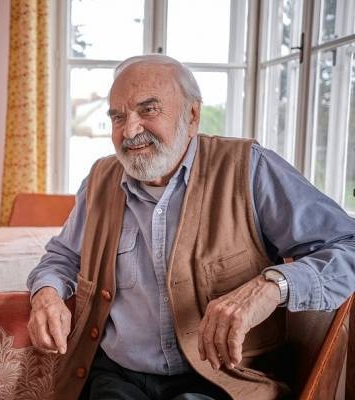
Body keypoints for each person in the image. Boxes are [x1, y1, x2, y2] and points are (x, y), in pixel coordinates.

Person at [26, 54, 355, 400]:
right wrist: (46, 294)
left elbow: (347, 245)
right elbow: (62, 257)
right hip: (119, 376)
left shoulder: (250, 169)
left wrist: (270, 287)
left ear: (192, 115)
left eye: (148, 110)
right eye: (118, 117)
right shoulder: (99, 179)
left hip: (226, 379)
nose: (130, 130)